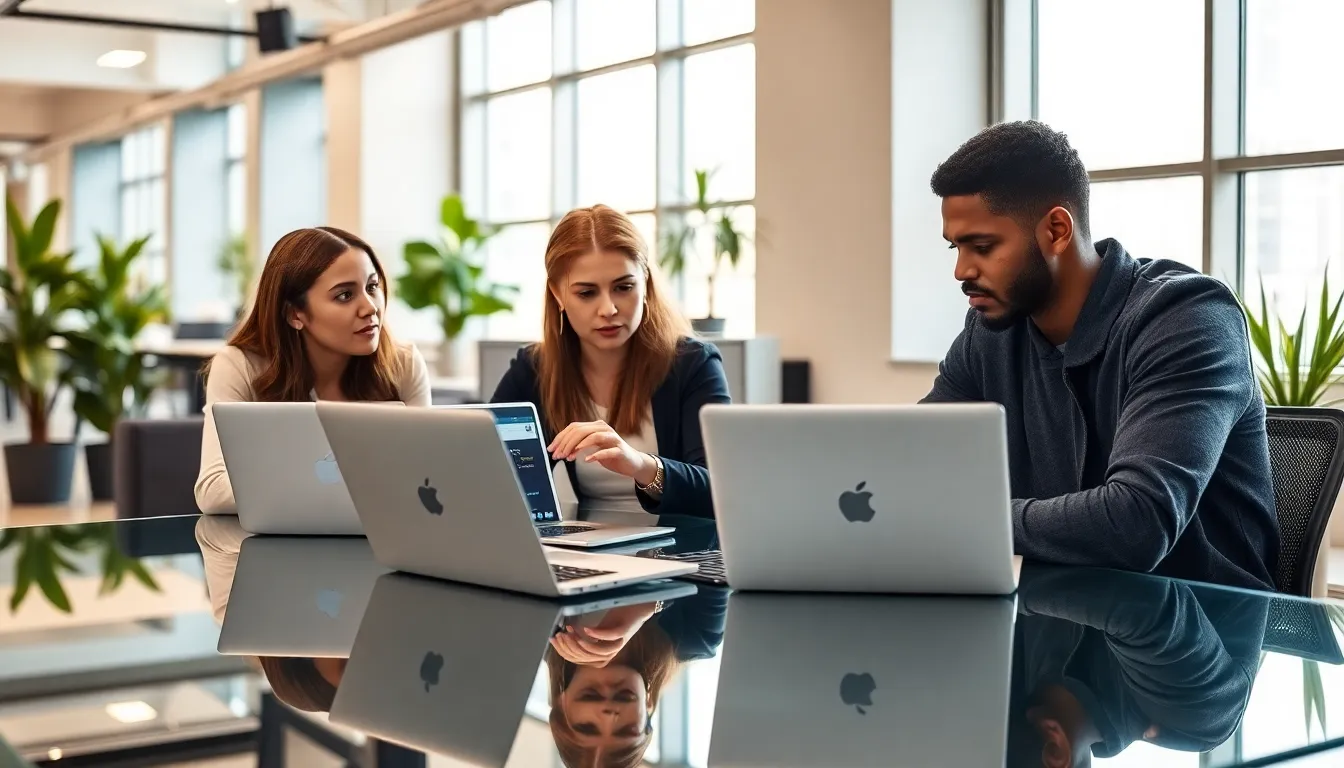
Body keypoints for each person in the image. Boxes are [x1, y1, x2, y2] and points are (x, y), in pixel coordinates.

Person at [922, 120, 1279, 591]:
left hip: (1201, 633)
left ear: (1056, 229)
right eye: (957, 247)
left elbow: (1136, 523)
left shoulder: (1187, 318)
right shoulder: (990, 332)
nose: (961, 270)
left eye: (983, 247)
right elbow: (916, 466)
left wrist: (966, 519)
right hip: (1056, 618)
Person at [491, 204, 731, 519]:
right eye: (587, 293)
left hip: (680, 555)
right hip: (585, 555)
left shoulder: (692, 364)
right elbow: (487, 468)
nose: (608, 309)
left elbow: (722, 489)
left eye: (623, 287)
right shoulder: (535, 369)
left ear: (645, 282)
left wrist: (640, 465)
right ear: (558, 295)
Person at [194, 226, 430, 514]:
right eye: (344, 295)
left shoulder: (402, 363)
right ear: (295, 314)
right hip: (273, 549)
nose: (370, 308)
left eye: (371, 287)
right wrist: (370, 482)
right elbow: (213, 490)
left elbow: (426, 477)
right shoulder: (239, 366)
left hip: (383, 544)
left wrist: (290, 484)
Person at [1007, 564, 1267, 766]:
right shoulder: (1196, 717)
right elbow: (1143, 600)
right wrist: (1003, 575)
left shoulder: (1010, 677)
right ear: (1055, 753)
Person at [546, 586, 728, 767]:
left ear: (561, 703)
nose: (610, 715)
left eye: (588, 727)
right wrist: (651, 601)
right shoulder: (696, 636)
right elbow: (718, 561)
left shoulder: (541, 632)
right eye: (626, 730)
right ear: (648, 708)